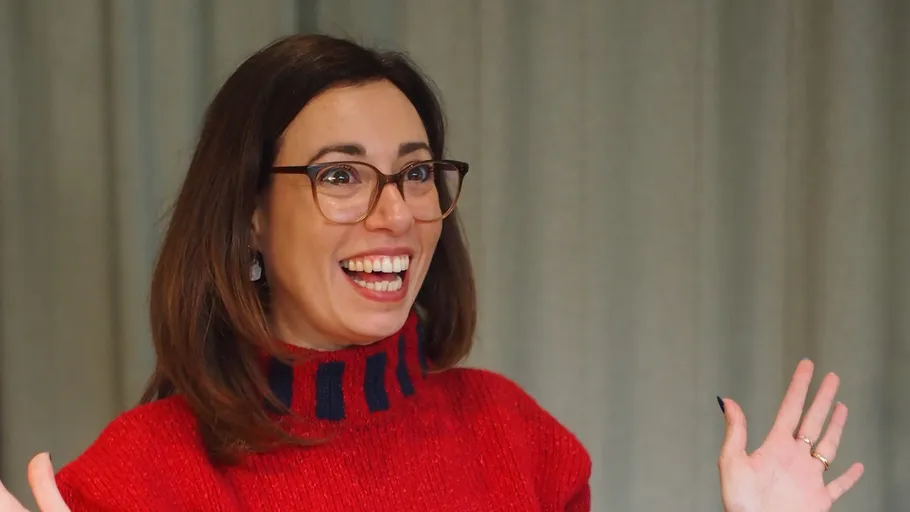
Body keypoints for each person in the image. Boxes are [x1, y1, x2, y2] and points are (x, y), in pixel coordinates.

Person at [0, 34, 863, 511]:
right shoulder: (138, 477)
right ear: (249, 215)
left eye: (415, 172)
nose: (398, 213)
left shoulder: (520, 442)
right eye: (341, 176)